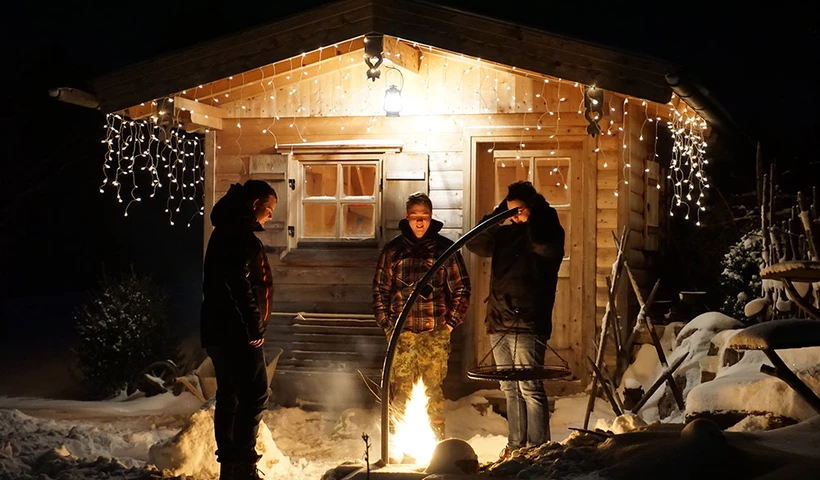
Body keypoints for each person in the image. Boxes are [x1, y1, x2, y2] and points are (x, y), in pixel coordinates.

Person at [466, 180, 564, 457]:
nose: (515, 217)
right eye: (510, 212)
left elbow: (546, 245)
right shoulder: (505, 234)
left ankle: (537, 448)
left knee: (529, 386)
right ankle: (516, 445)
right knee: (509, 387)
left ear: (532, 208)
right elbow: (475, 241)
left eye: (519, 211)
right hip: (498, 317)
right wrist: (499, 215)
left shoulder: (546, 230)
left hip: (528, 320)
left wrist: (535, 215)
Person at [372, 192, 471, 441]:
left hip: (434, 333)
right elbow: (380, 289)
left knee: (433, 392)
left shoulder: (444, 250)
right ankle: (399, 444)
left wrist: (449, 325)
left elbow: (462, 288)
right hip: (401, 335)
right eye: (415, 217)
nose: (419, 222)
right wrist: (387, 325)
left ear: (431, 218)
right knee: (401, 391)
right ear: (407, 217)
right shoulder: (393, 251)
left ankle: (435, 442)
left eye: (424, 217)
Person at [201, 180, 277, 480]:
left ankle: (231, 467)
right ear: (255, 204)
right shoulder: (238, 235)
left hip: (221, 331)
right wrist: (253, 324)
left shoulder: (227, 231)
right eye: (269, 210)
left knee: (230, 394)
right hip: (236, 333)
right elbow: (237, 283)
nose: (270, 216)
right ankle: (242, 466)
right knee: (255, 393)